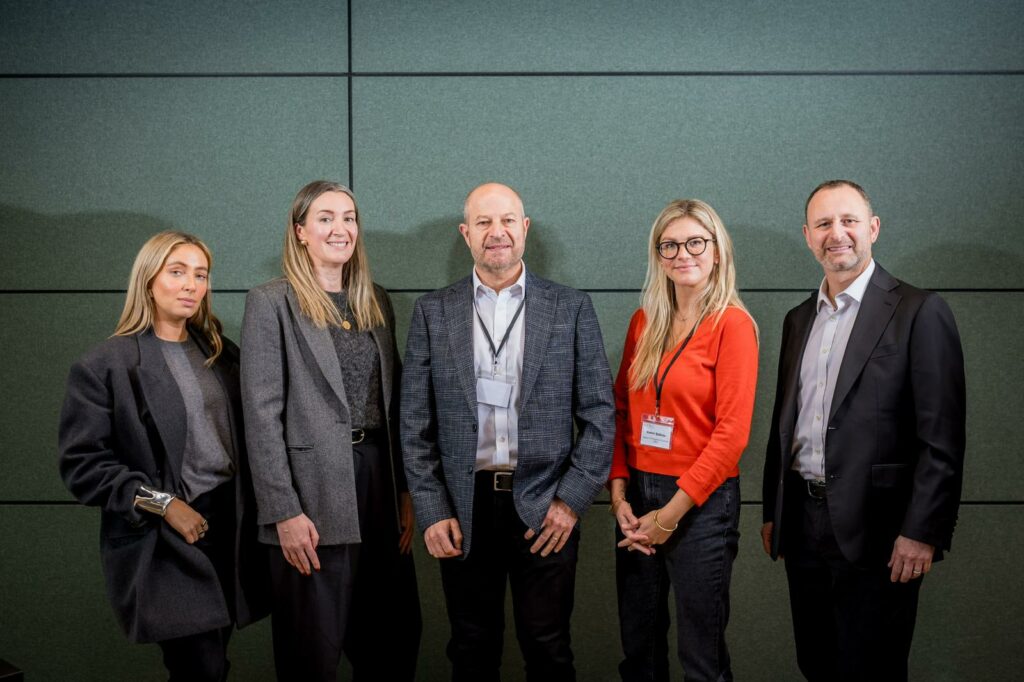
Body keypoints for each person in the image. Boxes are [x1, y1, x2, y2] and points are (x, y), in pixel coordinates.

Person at [401, 182, 615, 681]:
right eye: (482, 223)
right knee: (471, 650)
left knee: (548, 648)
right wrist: (432, 511)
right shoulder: (433, 312)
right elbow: (414, 424)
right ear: (465, 233)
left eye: (506, 221)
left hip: (545, 505)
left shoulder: (571, 307)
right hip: (463, 508)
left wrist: (571, 502)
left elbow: (601, 414)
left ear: (524, 228)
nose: (495, 232)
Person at [761, 180, 966, 681]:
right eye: (824, 224)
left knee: (873, 668)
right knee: (816, 663)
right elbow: (784, 424)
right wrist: (774, 511)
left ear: (872, 228)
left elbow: (942, 439)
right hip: (803, 525)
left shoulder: (919, 311)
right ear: (808, 236)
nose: (838, 234)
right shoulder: (797, 319)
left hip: (880, 532)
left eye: (849, 220)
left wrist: (922, 531)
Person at [58, 231, 268, 681]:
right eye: (177, 272)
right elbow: (83, 465)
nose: (192, 284)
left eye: (201, 274)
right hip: (166, 537)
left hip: (227, 528)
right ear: (149, 280)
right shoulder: (105, 365)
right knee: (200, 666)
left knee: (215, 659)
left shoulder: (219, 353)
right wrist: (164, 504)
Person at [240, 180, 421, 681]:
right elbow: (260, 413)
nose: (340, 228)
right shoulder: (270, 302)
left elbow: (396, 402)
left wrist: (405, 490)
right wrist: (283, 510)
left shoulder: (374, 301)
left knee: (392, 641)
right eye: (325, 218)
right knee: (311, 651)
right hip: (312, 495)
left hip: (378, 486)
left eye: (348, 217)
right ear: (300, 231)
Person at [610, 199, 758, 681]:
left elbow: (732, 435)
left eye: (696, 242)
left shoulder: (733, 325)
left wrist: (670, 517)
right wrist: (617, 493)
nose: (682, 254)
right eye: (669, 244)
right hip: (636, 498)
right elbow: (619, 411)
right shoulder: (644, 322)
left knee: (702, 658)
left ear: (717, 250)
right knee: (640, 648)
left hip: (700, 504)